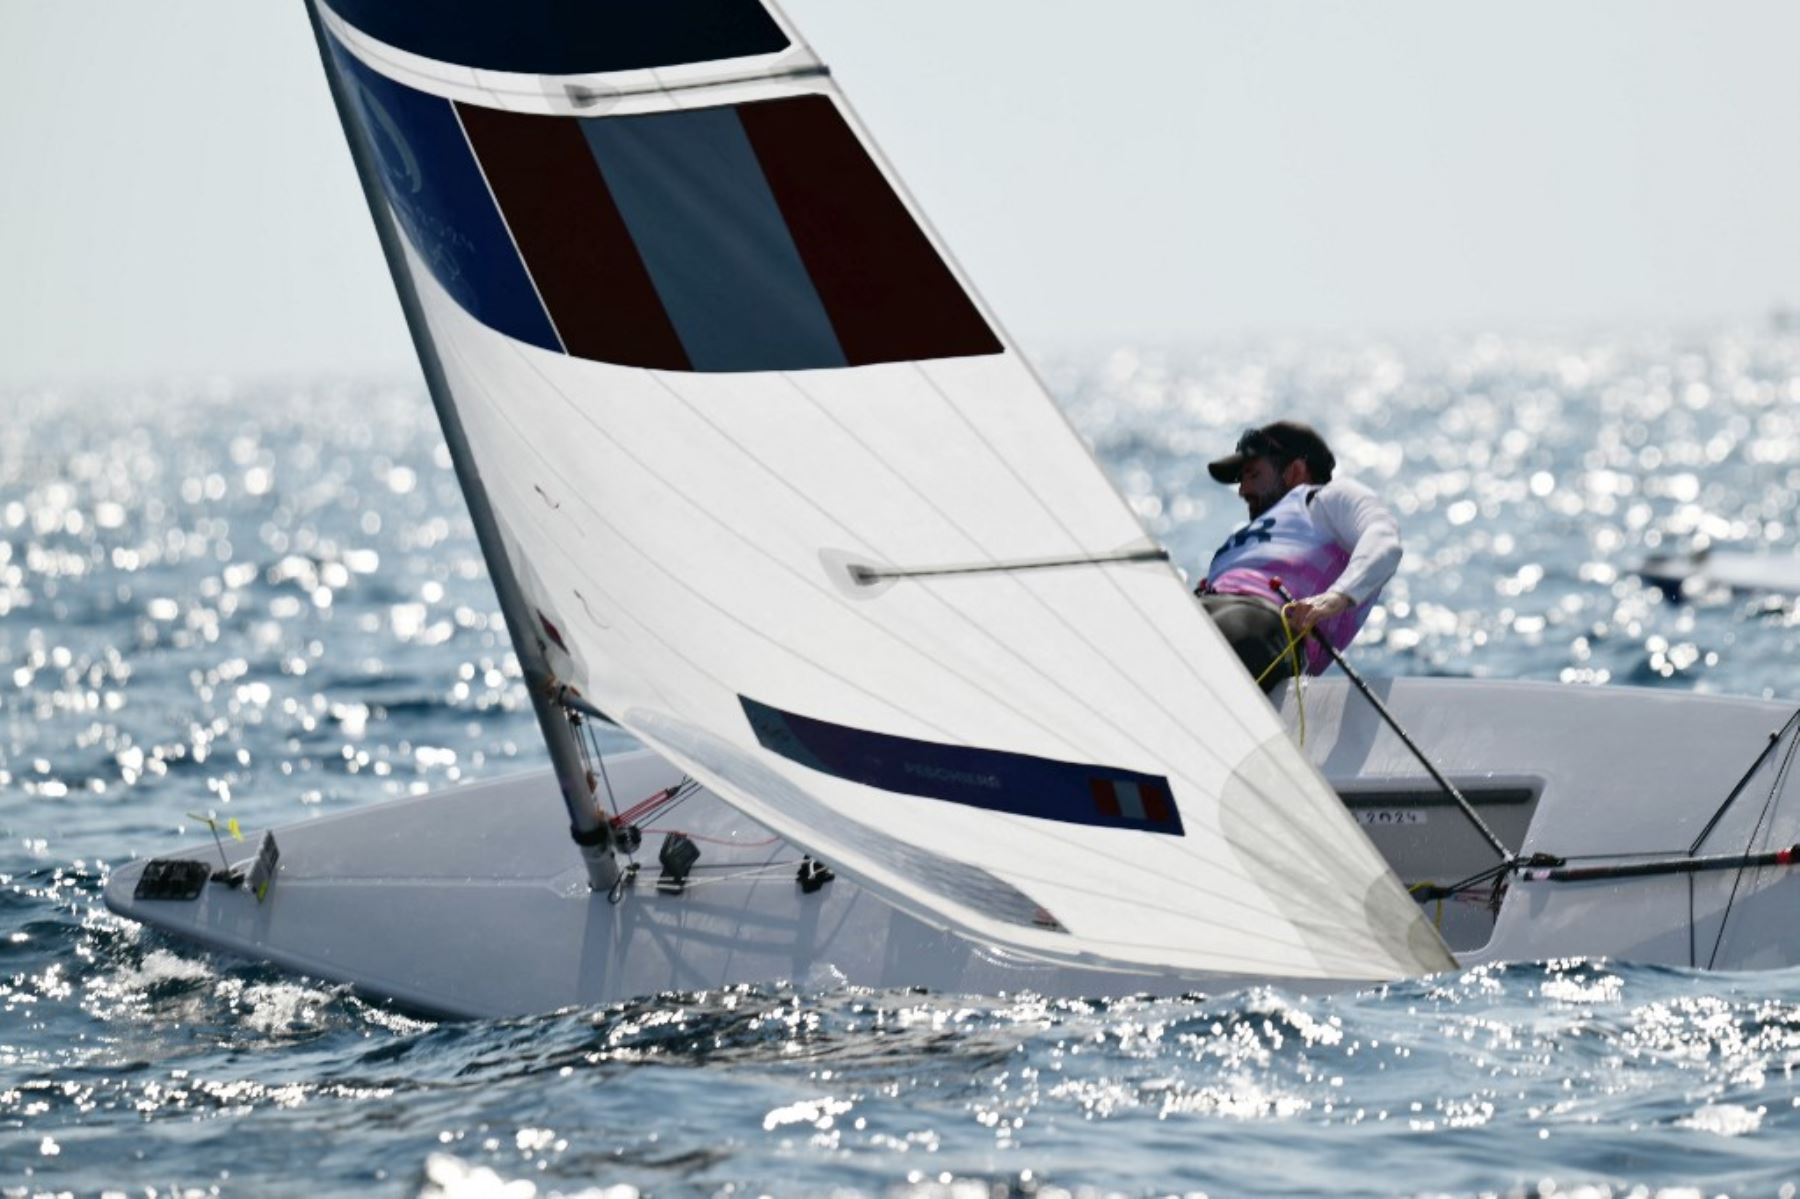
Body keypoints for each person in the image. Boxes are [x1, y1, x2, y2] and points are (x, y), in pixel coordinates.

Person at [1195, 421, 1401, 692]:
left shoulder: (1324, 500)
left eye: (1253, 474)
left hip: (1258, 622)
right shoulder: (1236, 543)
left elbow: (1383, 539)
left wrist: (1335, 597)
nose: (1243, 490)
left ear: (1294, 471)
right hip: (1199, 609)